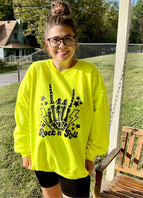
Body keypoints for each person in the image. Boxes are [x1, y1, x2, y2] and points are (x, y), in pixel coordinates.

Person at [13, 1, 110, 198]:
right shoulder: (36, 71)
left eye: (68, 39)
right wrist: (25, 149)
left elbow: (100, 117)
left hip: (75, 158)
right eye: (55, 40)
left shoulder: (89, 73)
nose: (62, 45)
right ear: (46, 42)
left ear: (76, 41)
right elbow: (23, 112)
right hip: (43, 155)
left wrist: (90, 154)